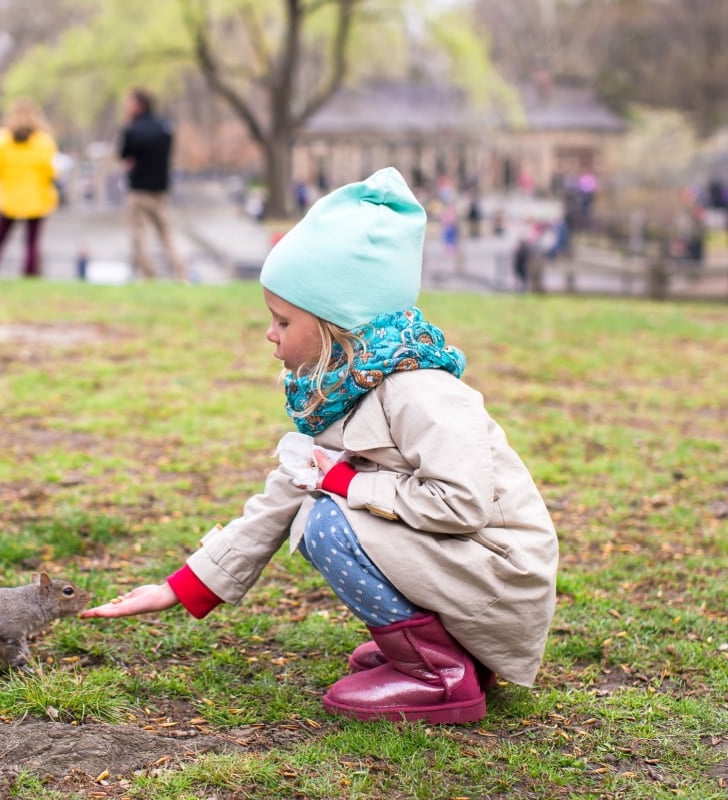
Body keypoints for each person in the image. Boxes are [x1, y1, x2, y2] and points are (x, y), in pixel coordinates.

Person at [84, 167, 559, 725]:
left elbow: (463, 503)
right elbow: (280, 500)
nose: (270, 334)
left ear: (338, 326)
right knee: (315, 509)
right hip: (463, 568)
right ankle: (444, 650)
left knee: (327, 523)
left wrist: (350, 484)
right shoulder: (342, 391)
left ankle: (439, 674)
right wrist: (183, 587)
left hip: (500, 578)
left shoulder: (422, 392)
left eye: (283, 320)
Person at [0, 98, 59, 278]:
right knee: (32, 243)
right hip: (36, 198)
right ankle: (30, 277)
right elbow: (51, 171)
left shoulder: (1, 140)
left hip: (8, 198)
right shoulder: (44, 142)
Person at [119, 88, 187, 281]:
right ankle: (180, 272)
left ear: (139, 105)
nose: (126, 106)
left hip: (138, 190)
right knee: (166, 235)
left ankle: (149, 274)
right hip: (160, 190)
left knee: (139, 235)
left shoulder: (132, 130)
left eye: (129, 102)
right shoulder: (165, 128)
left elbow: (124, 155)